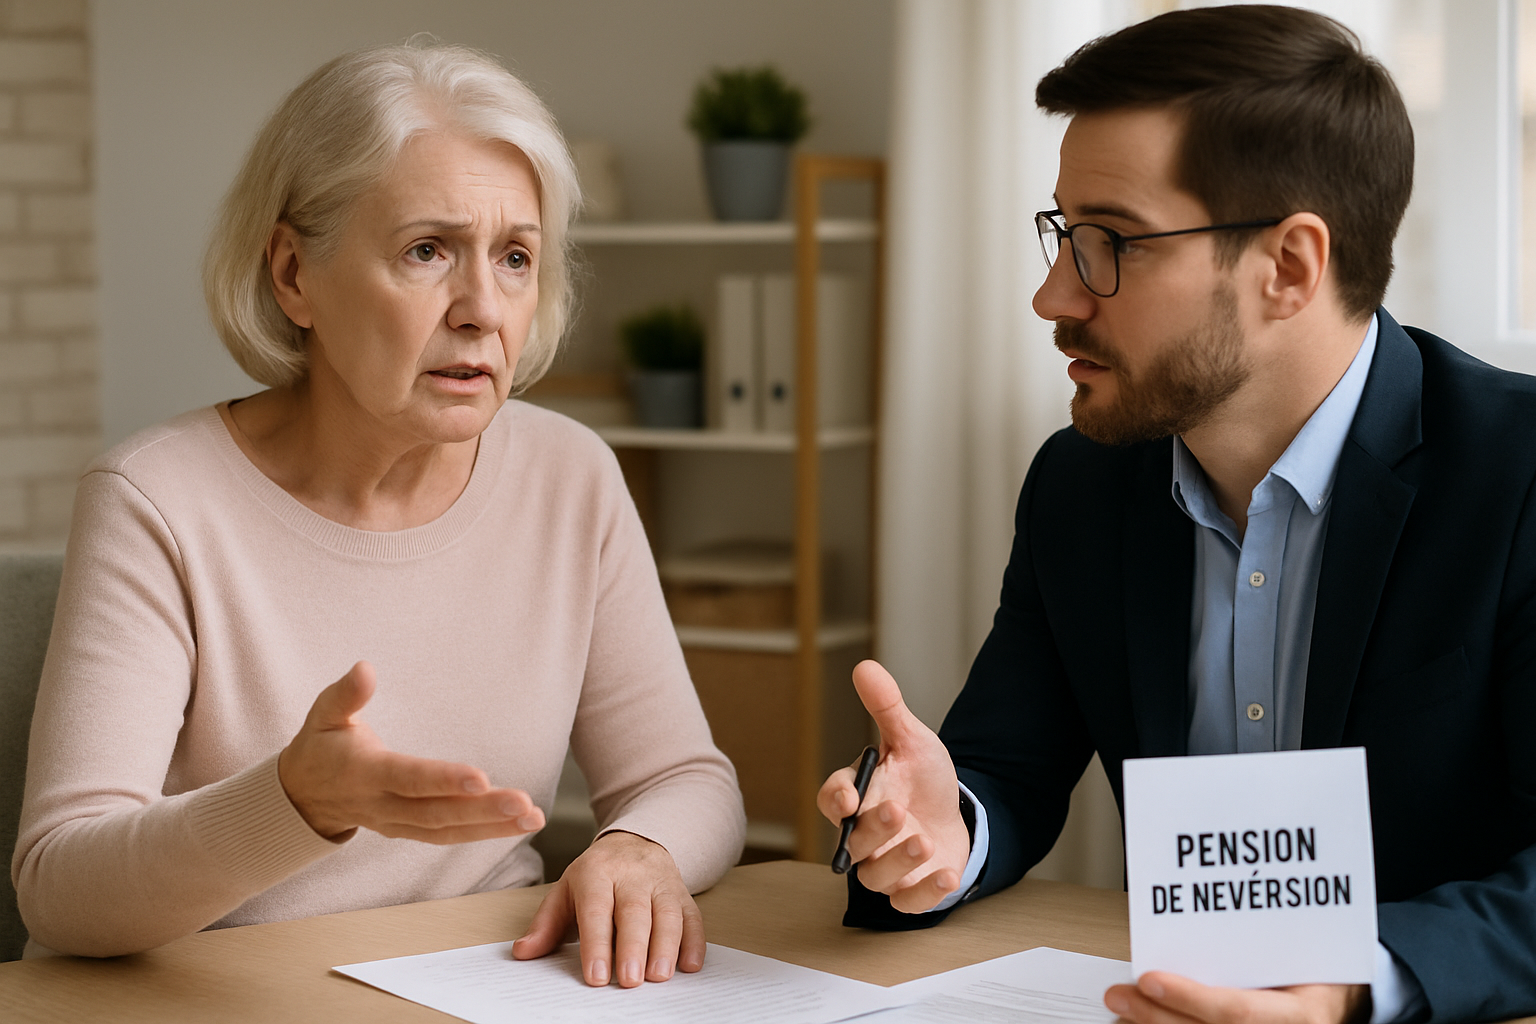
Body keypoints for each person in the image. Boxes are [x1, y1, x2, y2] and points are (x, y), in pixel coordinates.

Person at [818, 6, 1536, 1024]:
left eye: (1111, 242)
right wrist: (943, 830)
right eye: (1064, 235)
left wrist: (1353, 981)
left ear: (1287, 267)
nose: (1054, 295)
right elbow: (1002, 767)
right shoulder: (1082, 482)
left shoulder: (1517, 475)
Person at [11, 41, 745, 990]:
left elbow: (687, 778)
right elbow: (59, 885)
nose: (482, 309)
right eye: (427, 251)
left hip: (490, 991)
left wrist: (643, 847)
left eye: (515, 257)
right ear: (292, 276)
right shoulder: (156, 501)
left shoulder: (571, 476)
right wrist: (292, 802)